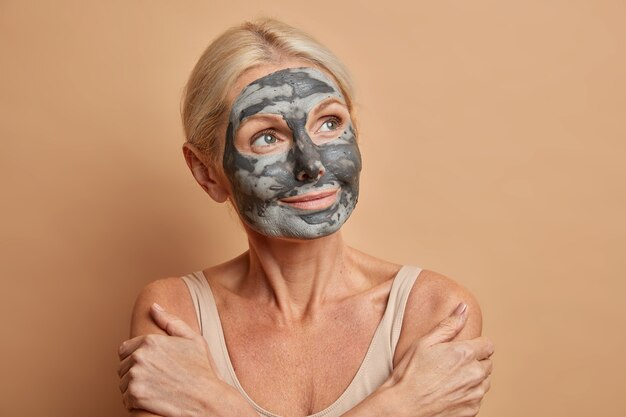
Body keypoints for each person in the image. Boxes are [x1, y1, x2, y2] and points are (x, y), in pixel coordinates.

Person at [117, 18, 494, 417]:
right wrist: (399, 406)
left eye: (329, 124)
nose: (311, 165)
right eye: (267, 136)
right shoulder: (174, 312)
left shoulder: (435, 310)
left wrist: (215, 405)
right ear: (206, 172)